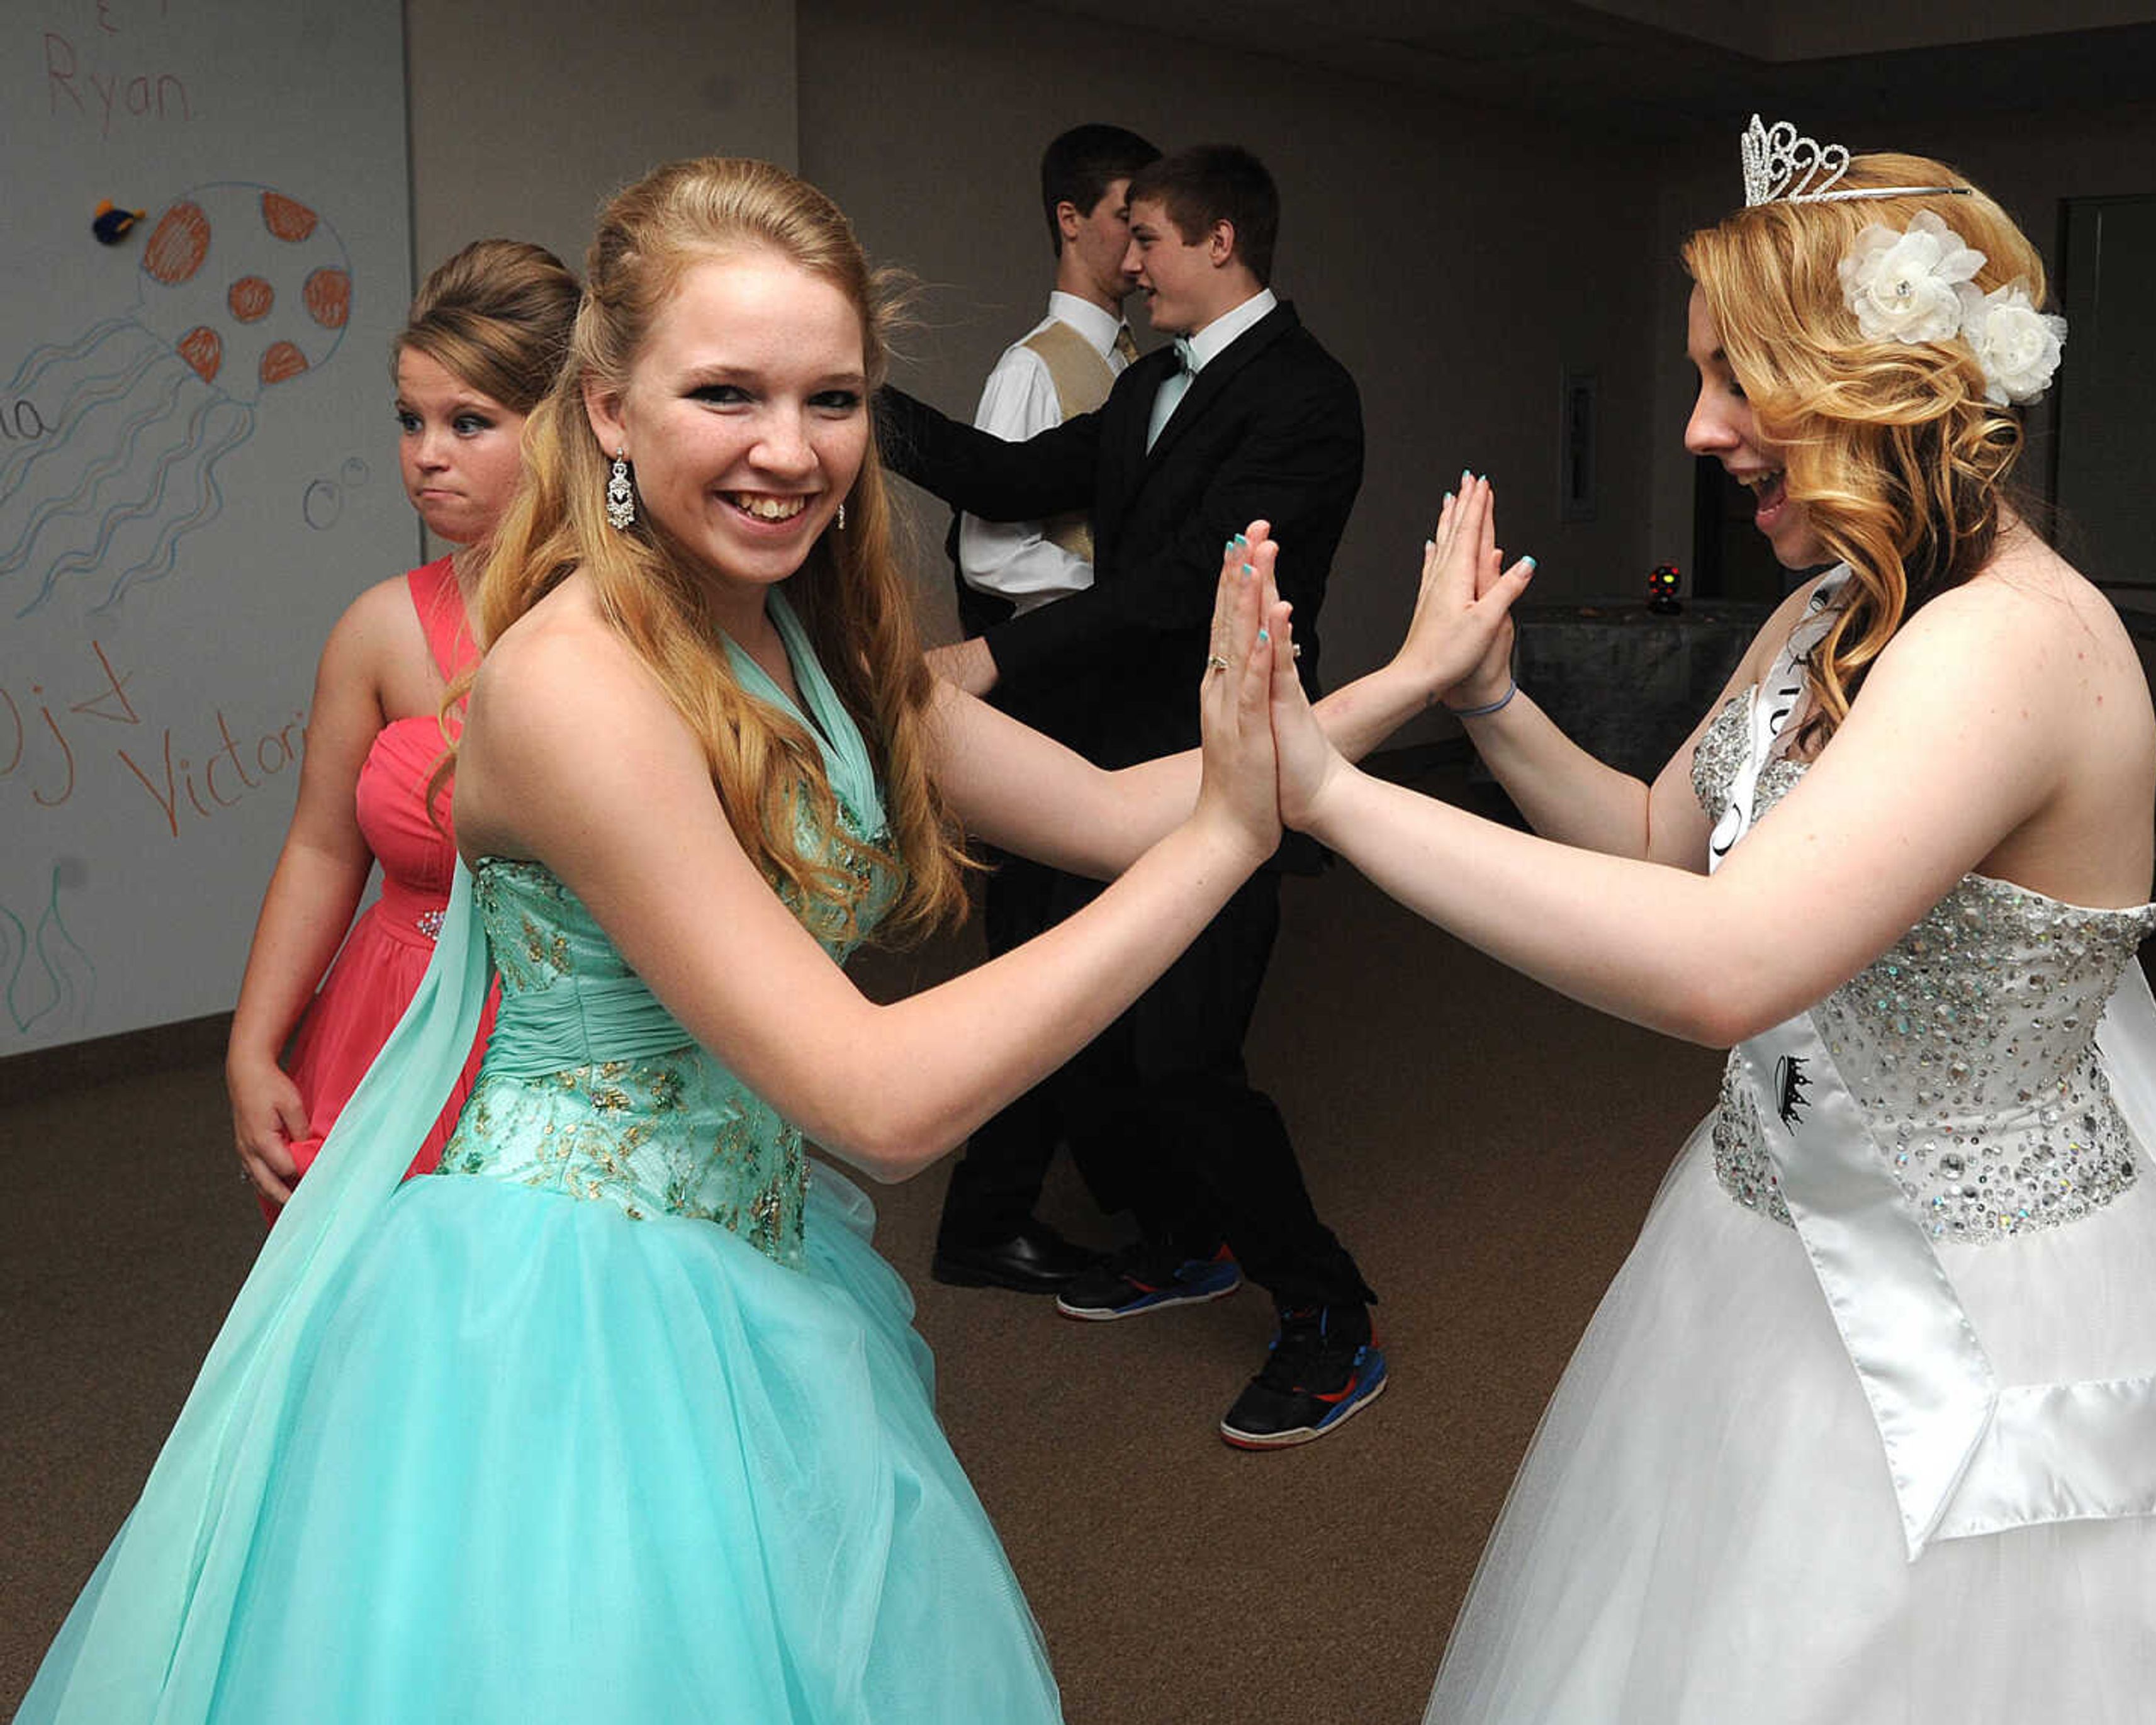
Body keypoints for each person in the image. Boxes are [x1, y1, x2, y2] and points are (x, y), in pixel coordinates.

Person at [16, 157, 1291, 1724]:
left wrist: (1399, 708)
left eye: (833, 401)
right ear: (608, 410)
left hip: (748, 1247)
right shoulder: (571, 687)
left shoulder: (794, 632)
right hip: (559, 1303)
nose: (789, 450)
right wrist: (1231, 842)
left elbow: (1106, 812)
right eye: (728, 393)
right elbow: (878, 1101)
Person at [1252, 121, 2156, 1722]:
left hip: (1989, 1303)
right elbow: (1665, 845)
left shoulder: (2004, 649)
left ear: (1881, 378)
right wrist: (1491, 704)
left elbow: (1725, 965)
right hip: (1771, 1229)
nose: (1700, 430)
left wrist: (1338, 798)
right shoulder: (1831, 605)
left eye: (1737, 378)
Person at [880, 143, 1384, 1449]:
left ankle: (1329, 1319)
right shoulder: (1154, 378)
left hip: (1226, 759)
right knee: (1080, 1028)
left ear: (1222, 241)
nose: (1130, 259)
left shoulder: (1307, 399)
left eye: (1150, 237)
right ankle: (1181, 1238)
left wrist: (994, 653)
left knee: (1185, 1060)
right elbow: (1007, 483)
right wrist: (839, 398)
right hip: (1104, 755)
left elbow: (1185, 590)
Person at [224, 239, 578, 1217]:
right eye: (410, 420)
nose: (426, 455)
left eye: (470, 422)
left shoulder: (640, 627)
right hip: (393, 1016)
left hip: (564, 1039)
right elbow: (321, 844)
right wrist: (254, 1044)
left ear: (571, 428)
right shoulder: (381, 628)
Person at [932, 121, 1160, 1296]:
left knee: (1095, 938)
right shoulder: (1036, 368)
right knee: (1036, 942)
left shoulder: (1136, 365)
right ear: (1073, 221)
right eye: (1128, 218)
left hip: (1099, 687)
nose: (1139, 247)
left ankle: (1120, 1179)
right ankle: (989, 1216)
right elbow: (996, 549)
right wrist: (1114, 606)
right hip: (1044, 690)